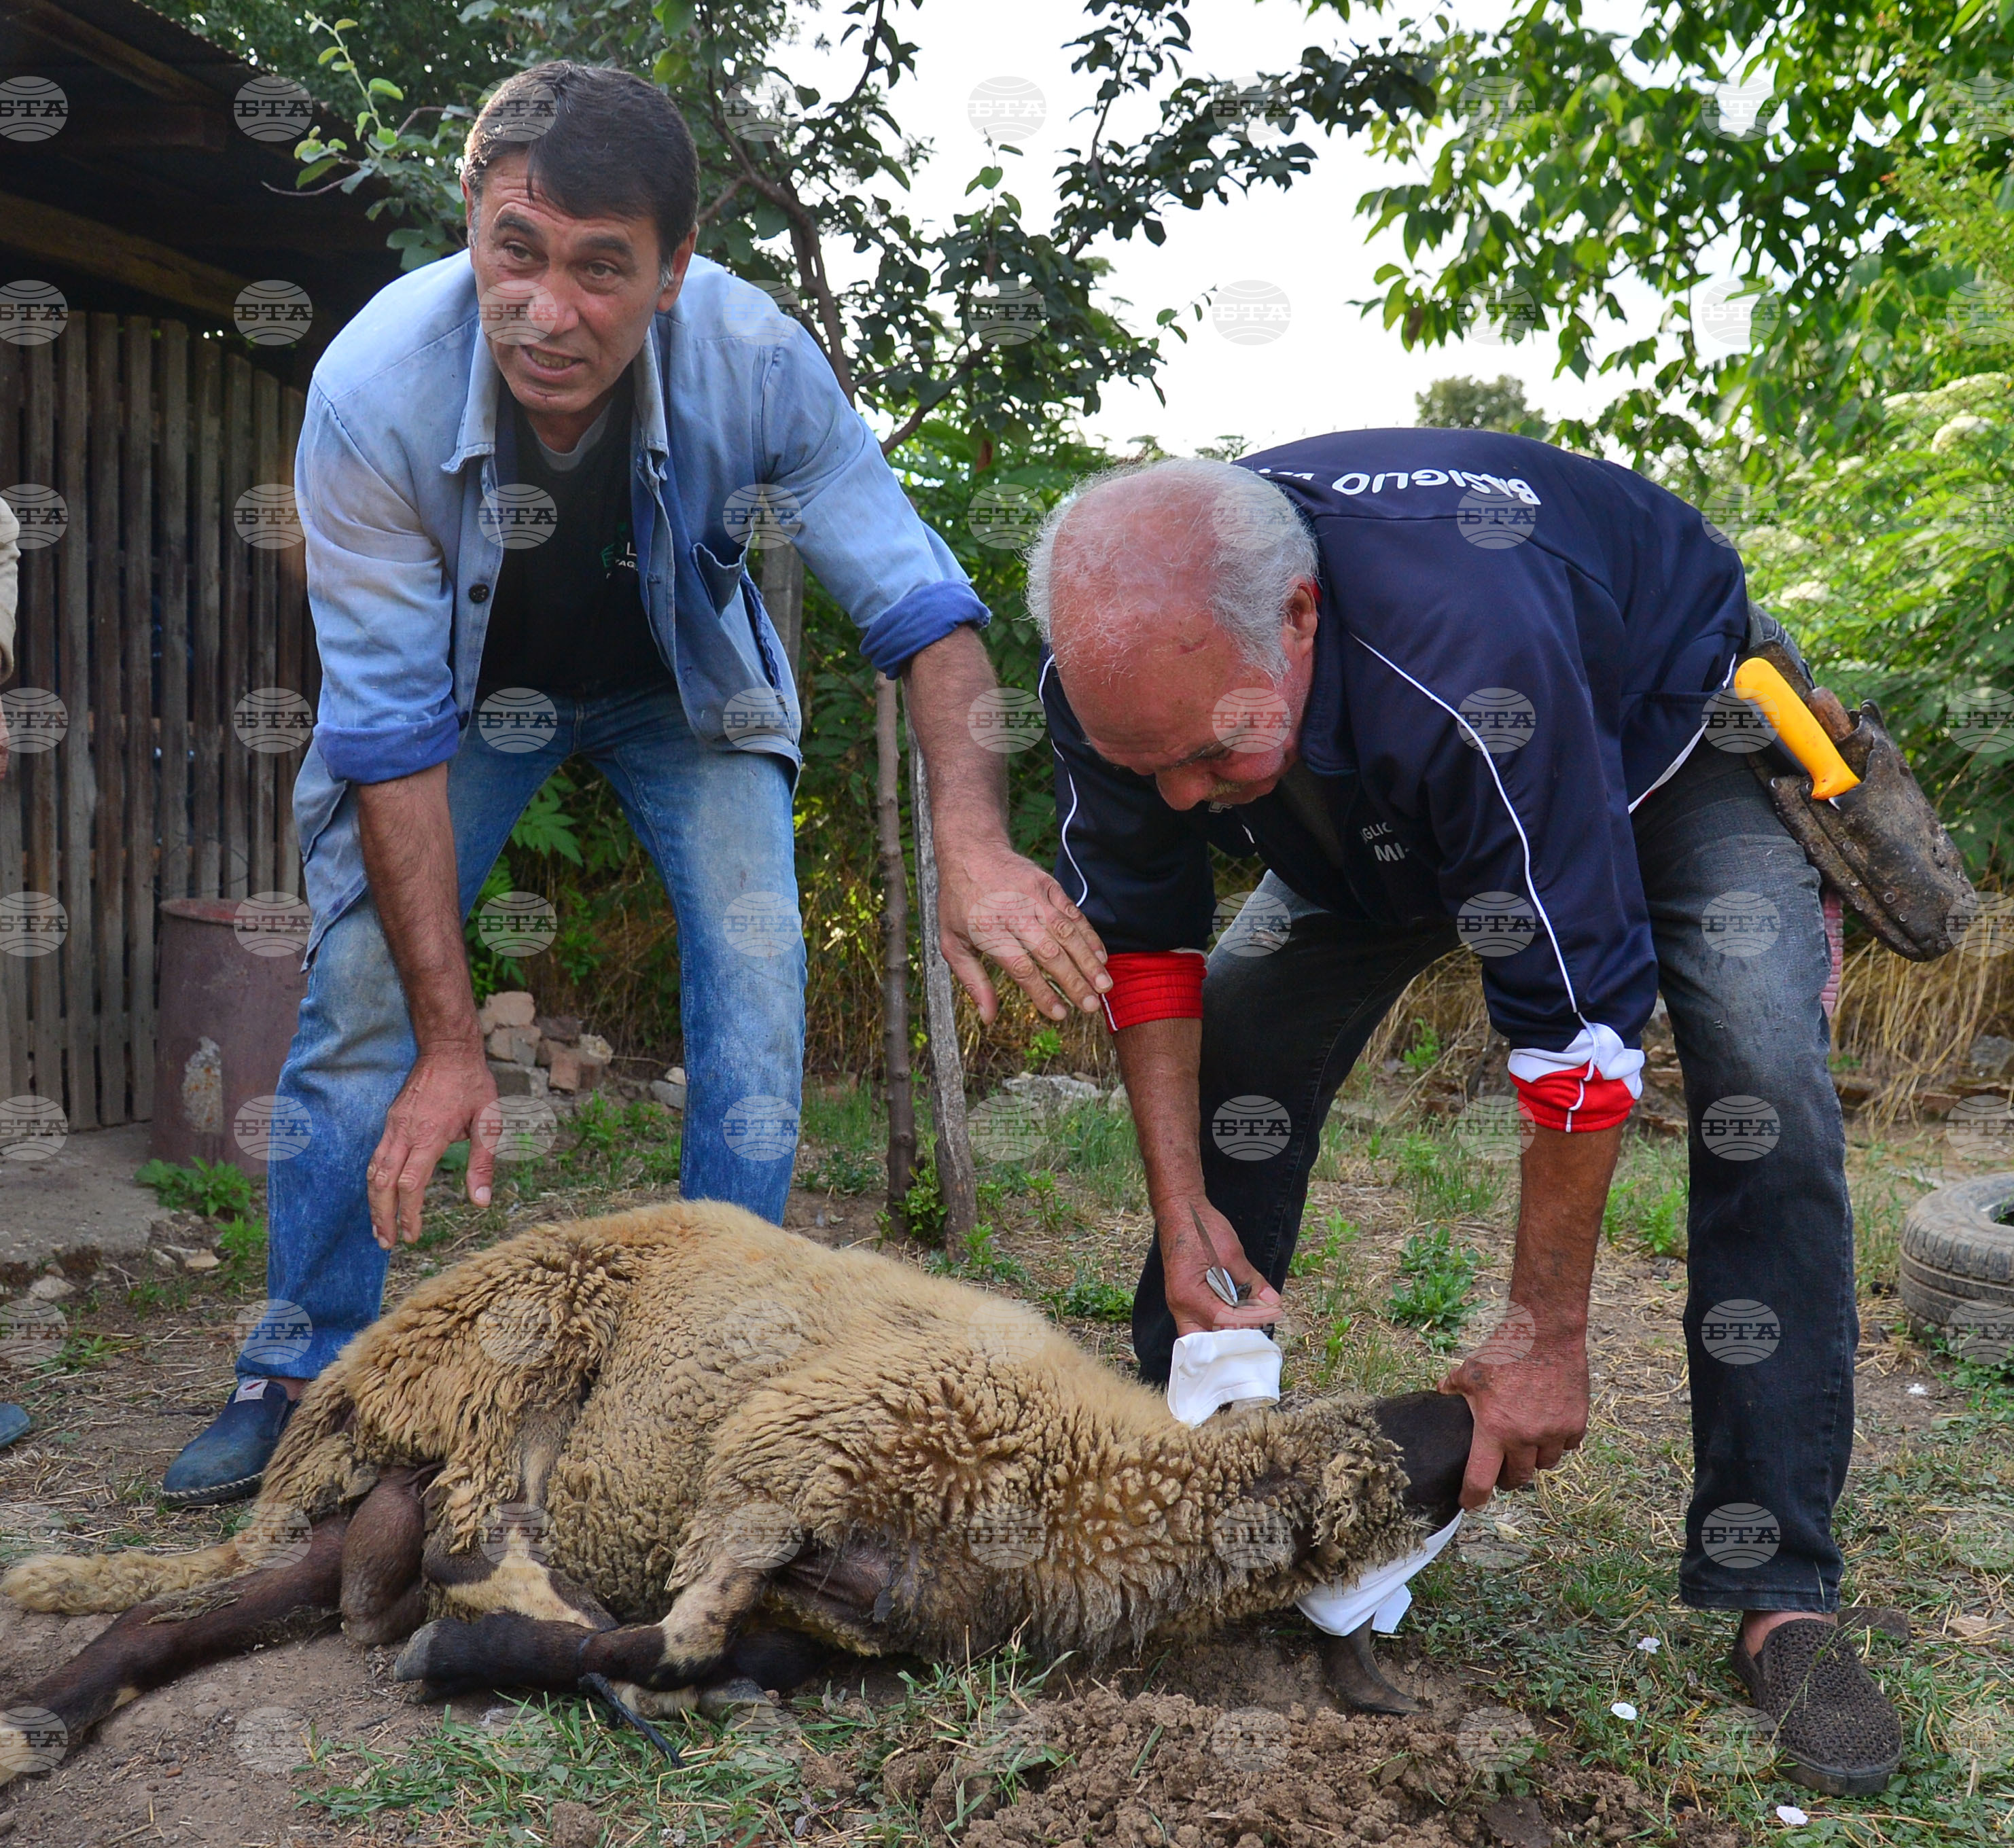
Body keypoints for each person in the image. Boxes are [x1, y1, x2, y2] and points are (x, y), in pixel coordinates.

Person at [162, 63, 1109, 1506]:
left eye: (604, 270)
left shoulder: (757, 357)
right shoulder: (369, 390)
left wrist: (973, 846)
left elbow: (924, 608)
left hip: (688, 688)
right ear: (473, 221)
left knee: (759, 997)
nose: (550, 311)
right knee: (359, 993)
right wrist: (453, 1036)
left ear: (674, 270)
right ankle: (299, 1373)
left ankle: (712, 1372)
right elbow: (390, 733)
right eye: (517, 253)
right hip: (460, 704)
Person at [1027, 442, 1905, 1796]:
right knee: (1242, 1042)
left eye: (1211, 751)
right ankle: (1191, 1504)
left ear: (1299, 620)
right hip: (1365, 798)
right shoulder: (1132, 681)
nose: (1186, 798)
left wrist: (1542, 1335)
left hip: (1655, 736)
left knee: (1765, 1080)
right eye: (1157, 772)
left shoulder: (1466, 642)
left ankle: (1779, 1584)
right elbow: (1149, 949)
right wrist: (1177, 1202)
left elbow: (1576, 1021)